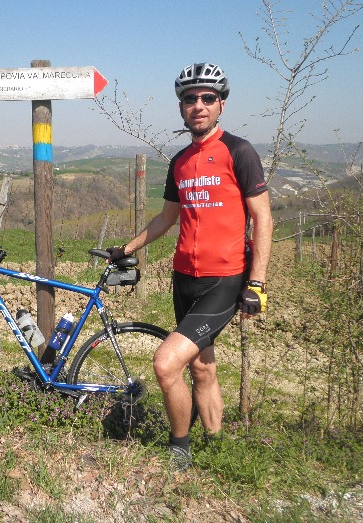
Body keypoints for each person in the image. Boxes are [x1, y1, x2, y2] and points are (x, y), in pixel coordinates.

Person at [108, 63, 273, 470]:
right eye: (190, 98)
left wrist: (257, 283)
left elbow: (263, 218)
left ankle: (178, 447)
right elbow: (167, 217)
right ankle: (217, 447)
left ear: (220, 105)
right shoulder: (180, 161)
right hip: (184, 278)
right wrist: (126, 248)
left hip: (224, 280)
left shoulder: (239, 151)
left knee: (166, 364)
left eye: (207, 98)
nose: (198, 105)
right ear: (181, 106)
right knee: (201, 366)